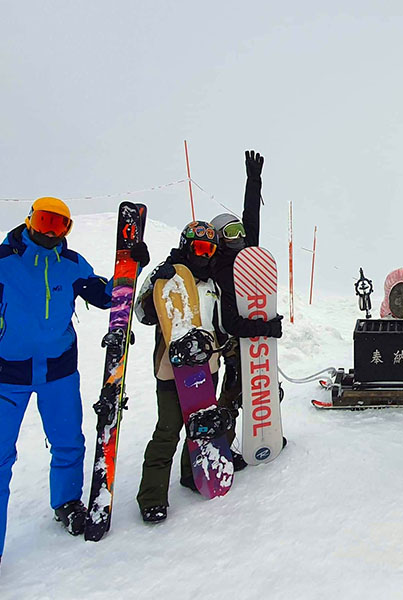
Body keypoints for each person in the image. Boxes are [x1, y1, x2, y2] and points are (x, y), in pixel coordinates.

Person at [0, 197, 149, 560]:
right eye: (45, 221)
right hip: (7, 373)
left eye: (59, 225)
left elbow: (108, 297)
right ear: (30, 220)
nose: (51, 231)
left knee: (69, 443)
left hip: (59, 370)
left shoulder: (71, 264)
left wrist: (131, 268)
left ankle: (66, 502)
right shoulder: (3, 262)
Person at [134, 221, 226, 523]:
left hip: (207, 365)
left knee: (201, 426)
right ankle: (152, 496)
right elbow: (143, 313)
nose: (203, 254)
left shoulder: (213, 283)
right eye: (198, 248)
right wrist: (151, 288)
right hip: (171, 370)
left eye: (208, 249)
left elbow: (219, 324)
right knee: (168, 430)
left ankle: (193, 475)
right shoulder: (169, 276)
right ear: (186, 245)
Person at [210, 150, 284, 465]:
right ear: (219, 239)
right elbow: (231, 322)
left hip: (256, 342)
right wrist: (267, 327)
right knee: (233, 395)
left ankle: (266, 433)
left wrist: (254, 180)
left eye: (240, 232)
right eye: (231, 233)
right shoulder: (219, 268)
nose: (240, 237)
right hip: (232, 343)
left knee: (266, 389)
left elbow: (251, 215)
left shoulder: (247, 256)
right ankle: (224, 449)